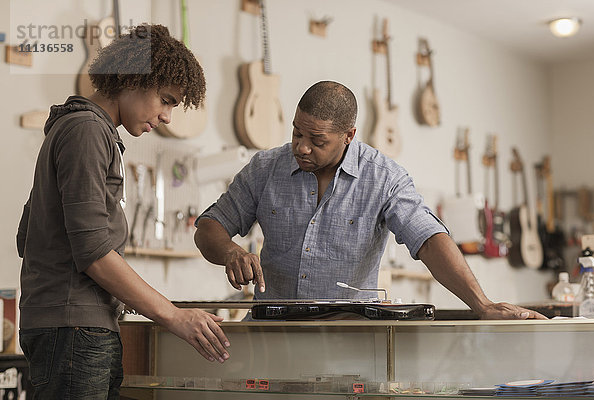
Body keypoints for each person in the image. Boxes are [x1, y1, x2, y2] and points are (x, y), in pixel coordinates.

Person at [194, 80, 546, 321]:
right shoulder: (265, 168)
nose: (301, 147)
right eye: (297, 132)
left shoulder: (385, 177)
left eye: (317, 140)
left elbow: (428, 238)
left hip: (351, 334)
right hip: (271, 329)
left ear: (349, 135)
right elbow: (209, 226)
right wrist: (230, 251)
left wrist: (481, 305)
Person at [16, 24, 230, 399]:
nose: (166, 117)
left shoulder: (83, 131)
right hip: (74, 330)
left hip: (76, 327)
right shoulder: (86, 131)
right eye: (165, 99)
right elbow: (94, 253)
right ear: (133, 78)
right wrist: (173, 315)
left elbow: (28, 236)